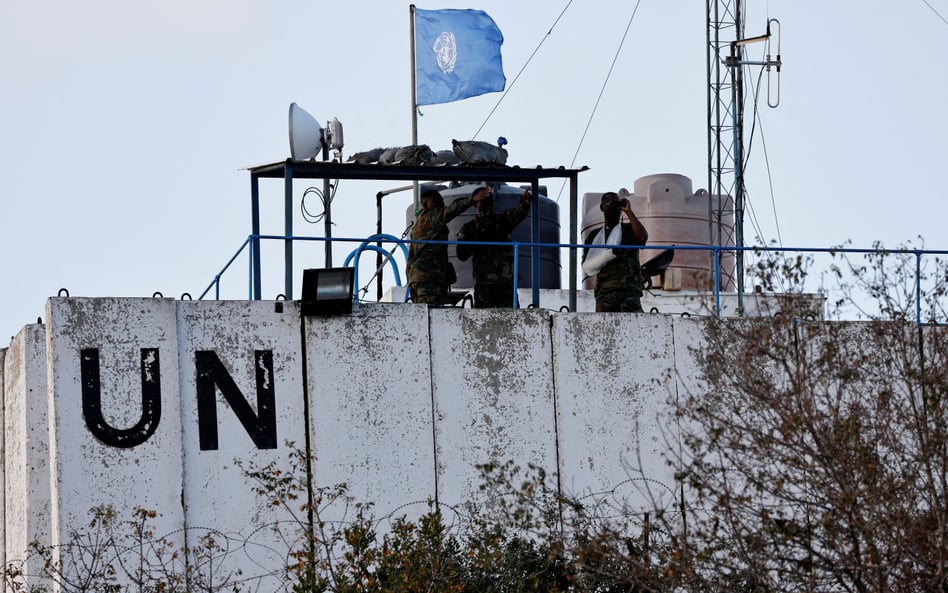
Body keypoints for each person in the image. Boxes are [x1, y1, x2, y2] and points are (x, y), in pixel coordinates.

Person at [456, 186, 531, 308]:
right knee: (484, 320)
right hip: (484, 282)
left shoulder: (503, 220)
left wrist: (525, 202)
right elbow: (462, 255)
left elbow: (520, 212)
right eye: (483, 200)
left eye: (489, 200)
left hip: (506, 282)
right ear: (476, 204)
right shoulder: (470, 228)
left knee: (511, 319)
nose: (487, 204)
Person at [581, 191, 649, 312]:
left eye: (618, 205)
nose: (615, 209)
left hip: (630, 292)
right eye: (611, 204)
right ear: (602, 208)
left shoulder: (628, 229)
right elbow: (587, 266)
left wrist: (629, 211)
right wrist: (609, 255)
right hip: (605, 293)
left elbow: (642, 238)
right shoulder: (594, 236)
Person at [406, 189, 473, 305]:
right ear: (426, 204)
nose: (441, 204)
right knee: (430, 315)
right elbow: (450, 211)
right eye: (436, 201)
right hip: (429, 279)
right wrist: (471, 200)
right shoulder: (432, 217)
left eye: (441, 201)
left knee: (423, 314)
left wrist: (411, 279)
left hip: (419, 280)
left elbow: (411, 257)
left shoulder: (418, 225)